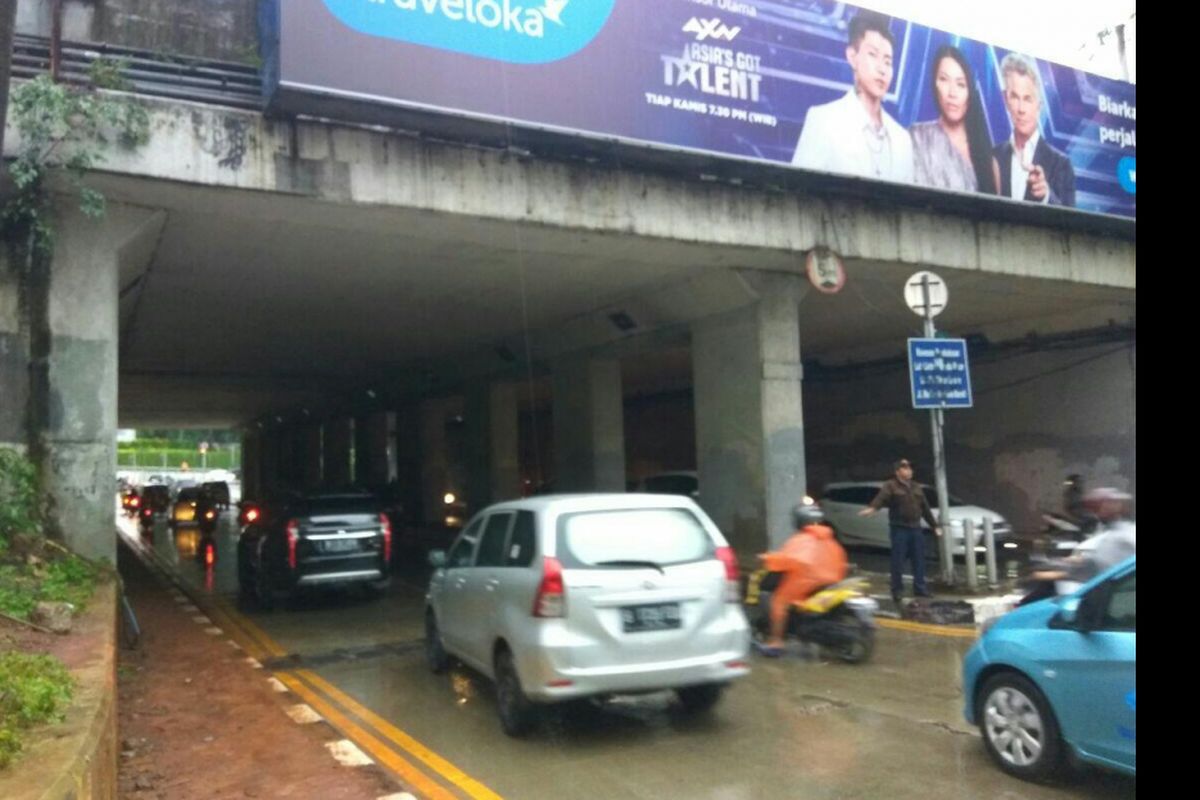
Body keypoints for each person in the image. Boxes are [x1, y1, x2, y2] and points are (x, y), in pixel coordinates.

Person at [791, 10, 914, 182]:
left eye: (888, 61)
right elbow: (798, 191)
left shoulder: (902, 139)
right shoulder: (823, 120)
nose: (882, 69)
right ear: (852, 56)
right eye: (873, 55)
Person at [754, 501, 848, 657]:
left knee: (779, 602)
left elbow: (790, 559)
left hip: (806, 582)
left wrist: (766, 558)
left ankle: (776, 642)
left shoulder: (801, 539)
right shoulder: (828, 538)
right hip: (830, 581)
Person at [910, 45, 999, 194]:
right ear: (934, 83)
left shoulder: (989, 162)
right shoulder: (916, 137)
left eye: (961, 84)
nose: (952, 93)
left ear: (970, 91)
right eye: (944, 79)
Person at [993, 53, 1076, 206]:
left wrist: (1046, 196)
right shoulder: (993, 157)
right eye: (1014, 97)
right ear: (1005, 99)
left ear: (1039, 106)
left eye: (1028, 99)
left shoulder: (1061, 164)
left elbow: (1072, 223)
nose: (1021, 109)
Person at [858, 459, 942, 606]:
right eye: (905, 468)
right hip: (899, 528)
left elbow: (925, 508)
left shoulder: (916, 487)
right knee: (898, 561)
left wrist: (934, 525)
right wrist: (872, 508)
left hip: (915, 528)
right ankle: (897, 590)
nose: (909, 471)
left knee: (919, 560)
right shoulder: (890, 485)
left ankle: (920, 588)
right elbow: (881, 498)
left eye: (909, 468)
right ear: (897, 472)